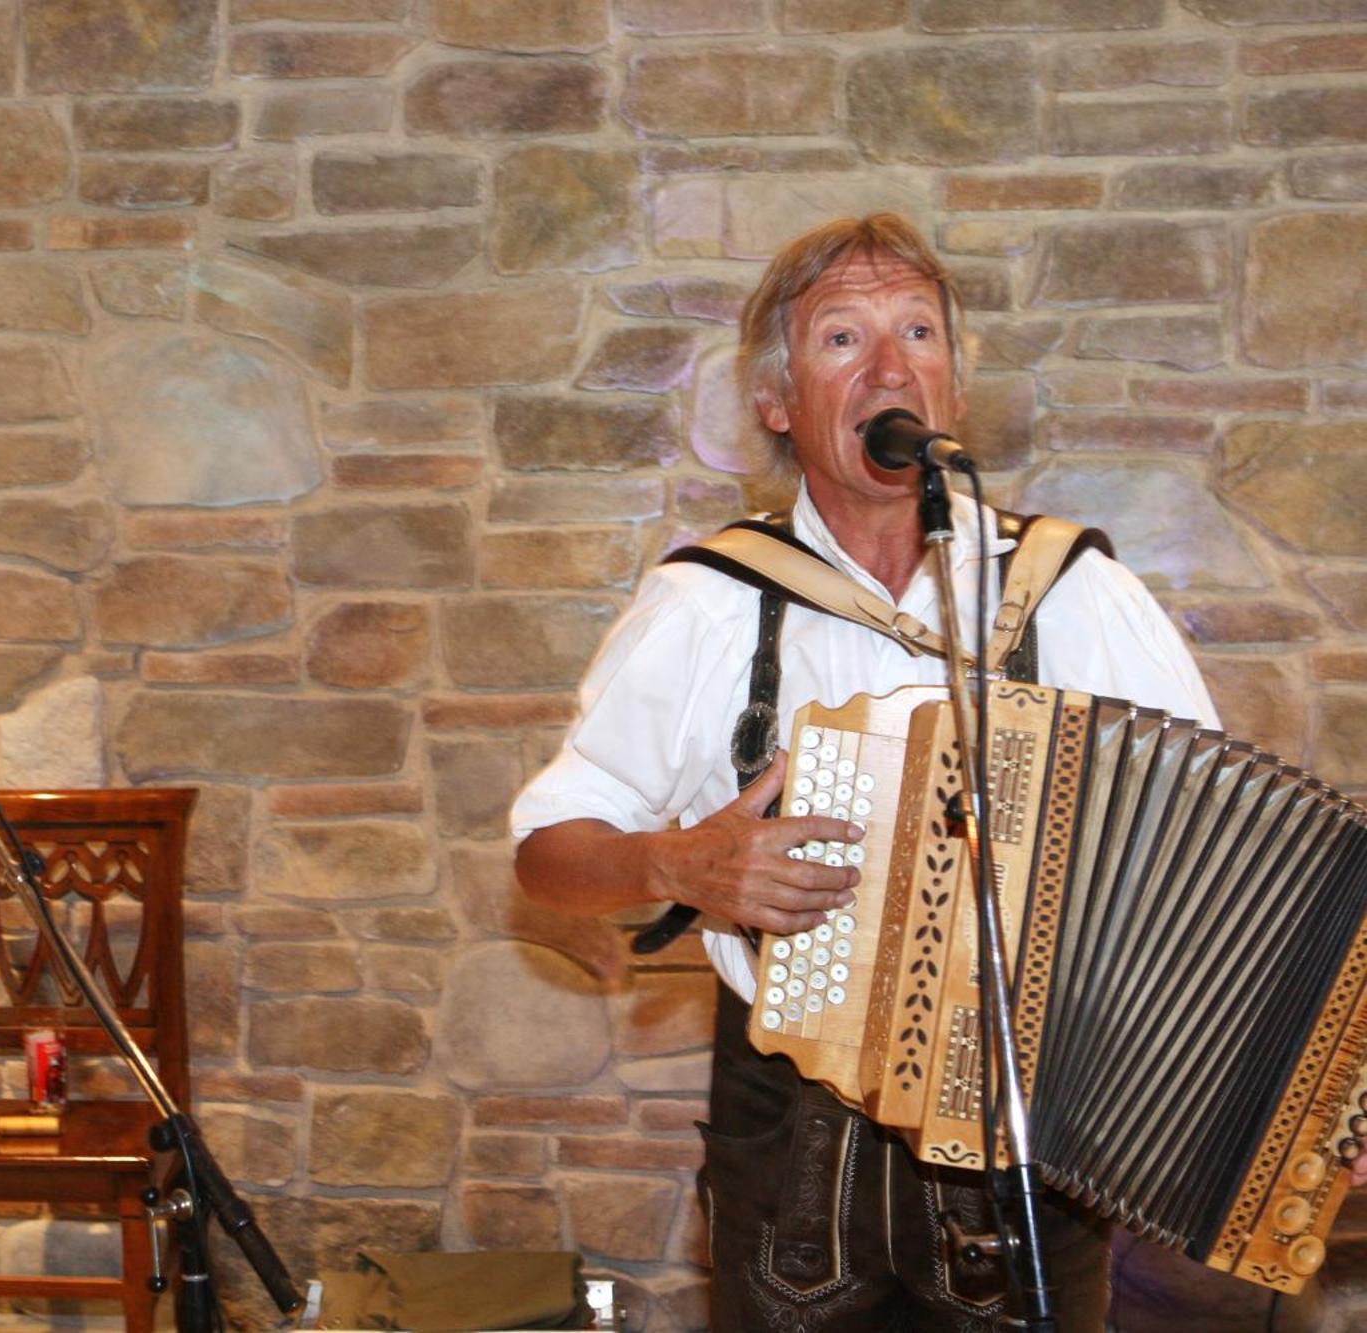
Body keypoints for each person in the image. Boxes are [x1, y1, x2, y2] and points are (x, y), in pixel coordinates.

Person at [512, 214, 1221, 1331]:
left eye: (918, 333)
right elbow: (547, 856)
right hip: (793, 1132)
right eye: (842, 337)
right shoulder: (708, 601)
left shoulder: (1073, 592)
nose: (890, 366)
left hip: (1030, 1126)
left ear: (952, 387)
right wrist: (679, 860)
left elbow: (1215, 859)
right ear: (775, 400)